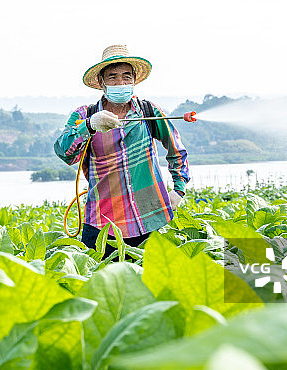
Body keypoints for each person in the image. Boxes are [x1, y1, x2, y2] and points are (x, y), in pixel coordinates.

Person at [54, 44, 190, 256]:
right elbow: (64, 153)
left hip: (149, 219)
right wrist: (89, 126)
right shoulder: (84, 115)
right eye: (113, 77)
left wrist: (179, 189)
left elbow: (177, 150)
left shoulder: (149, 111)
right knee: (98, 275)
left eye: (127, 77)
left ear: (134, 80)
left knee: (151, 276)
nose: (121, 83)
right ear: (102, 82)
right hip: (102, 224)